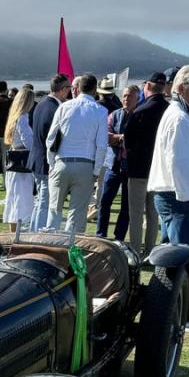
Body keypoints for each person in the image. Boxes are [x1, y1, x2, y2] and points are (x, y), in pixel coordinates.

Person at [148, 65, 189, 331]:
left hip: (180, 195)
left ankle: (175, 312)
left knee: (174, 255)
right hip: (179, 196)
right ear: (180, 87)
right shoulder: (178, 117)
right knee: (179, 257)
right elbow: (178, 162)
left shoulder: (186, 115)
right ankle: (180, 315)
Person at [45, 74, 108, 234]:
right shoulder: (100, 111)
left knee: (54, 212)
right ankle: (69, 251)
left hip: (61, 162)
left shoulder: (64, 107)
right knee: (77, 216)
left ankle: (50, 246)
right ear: (95, 90)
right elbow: (102, 146)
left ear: (77, 88)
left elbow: (50, 139)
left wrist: (51, 163)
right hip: (85, 165)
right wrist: (95, 172)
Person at [123, 70, 169, 252]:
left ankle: (135, 250)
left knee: (135, 214)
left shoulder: (140, 111)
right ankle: (150, 251)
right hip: (160, 171)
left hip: (138, 169)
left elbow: (128, 141)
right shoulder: (169, 110)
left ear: (147, 86)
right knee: (153, 214)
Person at [96, 83, 139, 238]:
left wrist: (118, 138)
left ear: (137, 98)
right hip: (113, 164)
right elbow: (105, 136)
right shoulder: (114, 115)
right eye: (125, 96)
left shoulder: (140, 116)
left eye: (130, 96)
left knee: (126, 206)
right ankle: (100, 234)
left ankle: (119, 237)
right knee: (104, 202)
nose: (126, 99)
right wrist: (122, 138)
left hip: (131, 166)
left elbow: (137, 140)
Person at [29, 74, 71, 230]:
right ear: (62, 89)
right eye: (68, 88)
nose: (70, 91)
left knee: (40, 201)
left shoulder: (41, 104)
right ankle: (36, 236)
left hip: (37, 160)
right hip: (46, 162)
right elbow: (53, 139)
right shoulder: (56, 109)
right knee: (44, 203)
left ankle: (32, 232)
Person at [2, 86, 35, 232]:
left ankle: (13, 232)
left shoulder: (14, 116)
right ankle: (17, 233)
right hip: (22, 165)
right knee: (22, 201)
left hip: (14, 163)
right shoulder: (22, 118)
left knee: (14, 200)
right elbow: (29, 142)